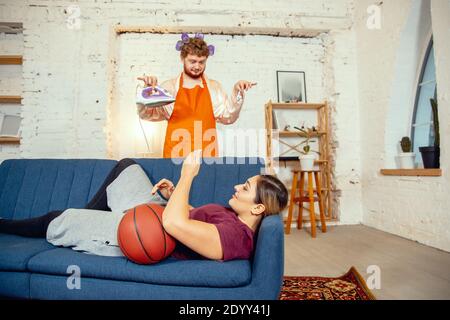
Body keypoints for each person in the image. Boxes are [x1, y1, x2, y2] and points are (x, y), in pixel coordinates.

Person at [0, 151, 288, 261]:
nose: (237, 187)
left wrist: (187, 173)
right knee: (127, 166)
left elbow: (175, 226)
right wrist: (175, 195)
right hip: (163, 211)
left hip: (153, 231)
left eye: (246, 188)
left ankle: (4, 224)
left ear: (259, 209)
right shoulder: (232, 218)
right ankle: (97, 215)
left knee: (61, 218)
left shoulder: (237, 238)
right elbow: (191, 217)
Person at [137, 33, 256, 158]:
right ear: (182, 59)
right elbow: (147, 115)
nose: (197, 66)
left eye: (201, 62)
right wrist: (148, 91)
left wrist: (237, 91)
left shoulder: (215, 88)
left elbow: (229, 117)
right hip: (174, 157)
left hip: (206, 158)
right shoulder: (169, 87)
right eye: (192, 61)